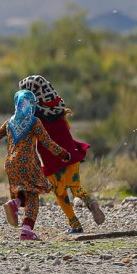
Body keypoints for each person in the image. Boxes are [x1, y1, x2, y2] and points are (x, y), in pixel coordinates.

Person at [0, 90, 71, 241]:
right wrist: (63, 154)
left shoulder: (9, 122)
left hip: (10, 163)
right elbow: (47, 142)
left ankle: (15, 203)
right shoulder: (34, 122)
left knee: (24, 191)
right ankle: (26, 231)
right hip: (27, 162)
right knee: (33, 195)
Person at [19, 75, 105, 232]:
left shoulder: (33, 116)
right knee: (76, 186)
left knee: (60, 192)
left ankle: (75, 225)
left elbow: (31, 139)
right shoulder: (59, 109)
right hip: (71, 155)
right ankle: (90, 202)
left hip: (52, 159)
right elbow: (67, 130)